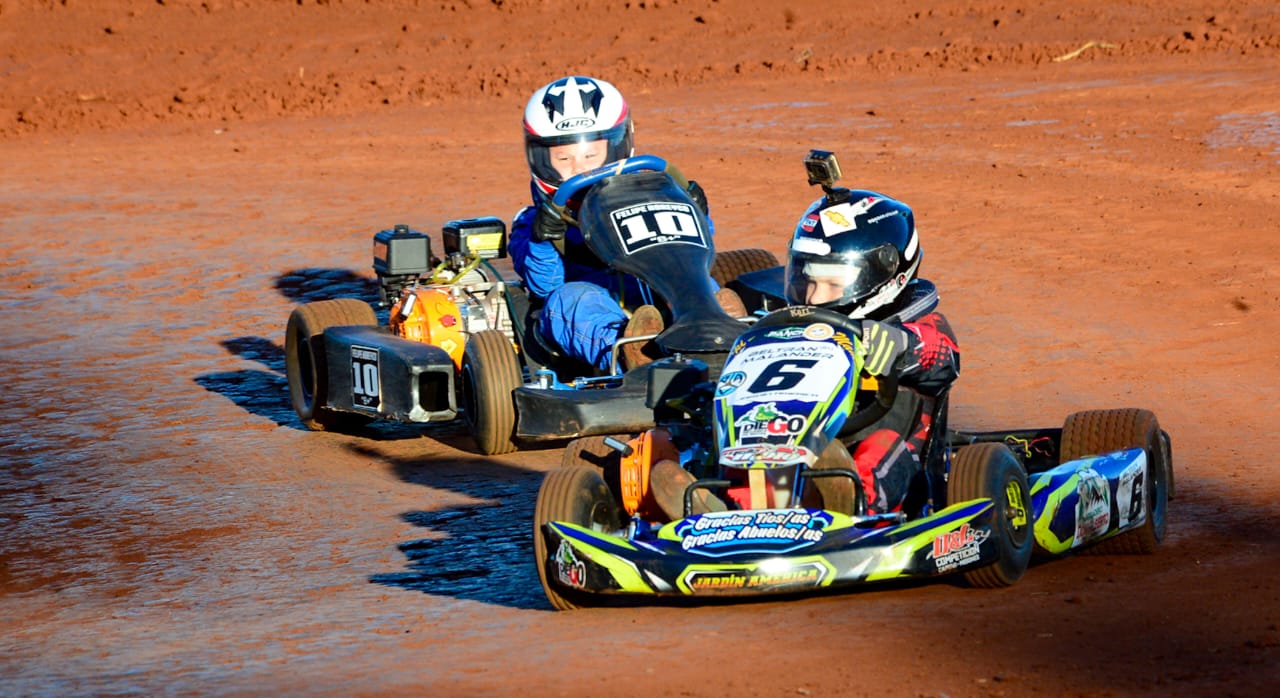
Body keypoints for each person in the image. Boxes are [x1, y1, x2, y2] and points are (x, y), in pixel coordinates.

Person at [508, 75, 738, 373]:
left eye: (591, 155)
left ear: (618, 147)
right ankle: (633, 356)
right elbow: (544, 286)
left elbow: (695, 252)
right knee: (573, 300)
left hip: (658, 288)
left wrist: (696, 211)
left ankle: (722, 331)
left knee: (700, 283)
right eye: (563, 158)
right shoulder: (530, 223)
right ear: (540, 160)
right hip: (592, 309)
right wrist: (544, 240)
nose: (579, 168)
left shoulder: (653, 193)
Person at [784, 189, 961, 515]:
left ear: (885, 275)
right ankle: (725, 506)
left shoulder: (920, 324)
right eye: (808, 279)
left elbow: (944, 357)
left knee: (876, 450)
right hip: (796, 450)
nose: (813, 296)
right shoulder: (793, 328)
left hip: (900, 471)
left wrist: (902, 344)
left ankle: (848, 504)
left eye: (833, 283)